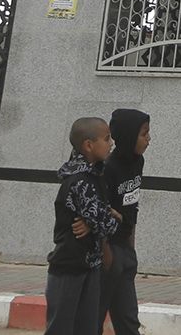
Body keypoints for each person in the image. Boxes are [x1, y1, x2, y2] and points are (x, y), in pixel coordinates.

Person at [46, 117, 121, 335]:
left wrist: (97, 221)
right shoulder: (80, 181)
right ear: (88, 145)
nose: (111, 143)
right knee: (62, 328)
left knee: (87, 327)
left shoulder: (94, 175)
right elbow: (107, 224)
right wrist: (115, 218)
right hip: (70, 267)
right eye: (107, 139)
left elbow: (97, 218)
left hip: (89, 264)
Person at [98, 108, 150, 335]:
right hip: (105, 253)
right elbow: (98, 212)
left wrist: (131, 249)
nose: (149, 139)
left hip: (125, 252)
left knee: (128, 321)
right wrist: (107, 255)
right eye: (144, 134)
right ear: (129, 136)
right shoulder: (107, 169)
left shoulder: (138, 162)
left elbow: (132, 207)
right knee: (94, 317)